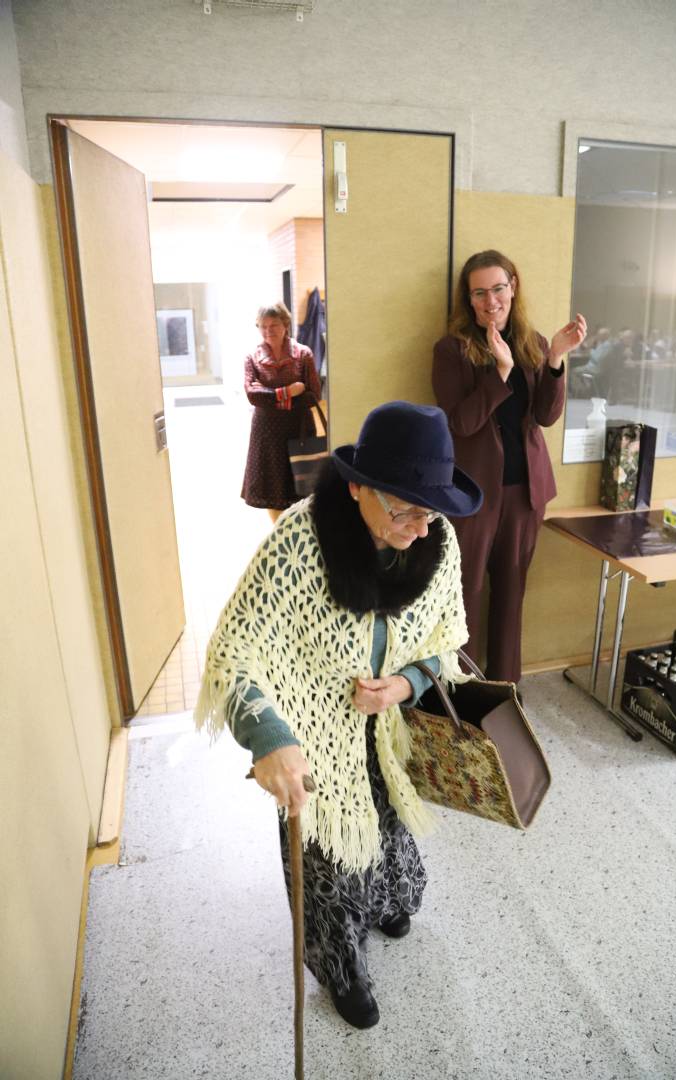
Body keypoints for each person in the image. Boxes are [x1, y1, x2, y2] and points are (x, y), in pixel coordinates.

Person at [195, 401, 482, 1029]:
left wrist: (403, 686)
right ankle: (342, 966)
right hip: (313, 735)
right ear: (357, 487)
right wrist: (268, 737)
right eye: (401, 508)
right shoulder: (300, 541)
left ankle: (386, 903)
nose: (417, 527)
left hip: (388, 731)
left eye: (427, 510)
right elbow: (233, 651)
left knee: (386, 828)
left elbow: (446, 642)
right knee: (326, 859)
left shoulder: (436, 540)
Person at [432, 249, 587, 683]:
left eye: (498, 288)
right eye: (479, 293)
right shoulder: (452, 350)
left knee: (511, 596)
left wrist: (555, 358)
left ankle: (503, 692)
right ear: (469, 299)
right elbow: (461, 423)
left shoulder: (532, 343)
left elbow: (545, 416)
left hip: (524, 494)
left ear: (513, 287)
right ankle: (458, 692)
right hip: (472, 495)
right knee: (464, 597)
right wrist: (500, 372)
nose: (490, 300)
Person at [241, 301, 321, 522]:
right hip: (266, 433)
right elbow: (253, 395)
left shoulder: (303, 354)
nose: (268, 331)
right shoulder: (252, 357)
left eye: (274, 325)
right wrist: (289, 391)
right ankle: (278, 532)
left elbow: (314, 395)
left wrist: (272, 397)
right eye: (262, 326)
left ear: (285, 324)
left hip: (299, 428)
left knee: (301, 485)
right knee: (272, 488)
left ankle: (302, 531)